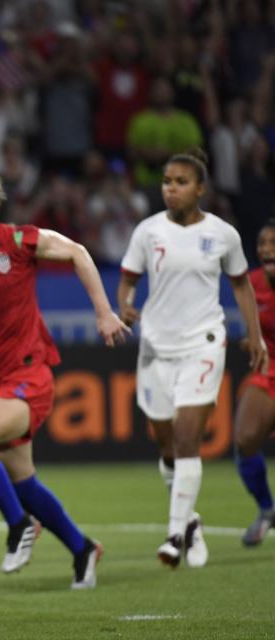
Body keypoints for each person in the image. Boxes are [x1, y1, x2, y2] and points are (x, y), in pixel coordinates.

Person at [0, 163, 128, 590]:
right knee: (25, 481)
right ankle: (82, 548)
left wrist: (104, 311)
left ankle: (19, 526)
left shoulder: (16, 241)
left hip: (28, 377)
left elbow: (78, 252)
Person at [117, 150, 267, 569]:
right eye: (166, 181)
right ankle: (191, 522)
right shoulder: (147, 232)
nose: (171, 188)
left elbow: (241, 287)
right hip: (156, 348)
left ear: (200, 189)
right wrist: (125, 306)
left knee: (187, 438)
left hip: (203, 342)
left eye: (180, 182)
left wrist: (254, 335)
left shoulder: (223, 235)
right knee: (167, 448)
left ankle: (172, 536)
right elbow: (127, 281)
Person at [234, 221, 275, 546]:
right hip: (269, 368)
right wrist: (251, 341)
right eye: (262, 243)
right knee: (246, 439)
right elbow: (253, 331)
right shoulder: (252, 283)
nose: (266, 249)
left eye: (273, 243)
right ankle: (266, 509)